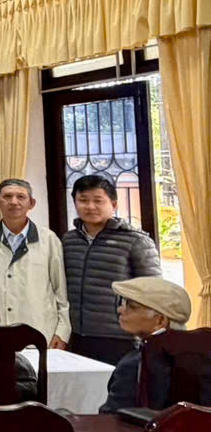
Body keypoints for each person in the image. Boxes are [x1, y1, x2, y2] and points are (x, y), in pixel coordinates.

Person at [62, 175, 162, 365]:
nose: (90, 206)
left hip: (120, 338)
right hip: (75, 336)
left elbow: (154, 292)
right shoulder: (68, 240)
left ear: (114, 204)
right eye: (83, 200)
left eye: (98, 200)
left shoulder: (136, 240)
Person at [0, 179, 70, 349]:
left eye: (21, 197)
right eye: (7, 196)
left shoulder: (49, 239)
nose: (14, 202)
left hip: (39, 331)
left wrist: (62, 331)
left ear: (32, 203)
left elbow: (60, 290)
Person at [99, 277, 195, 413]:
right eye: (123, 303)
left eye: (132, 306)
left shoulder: (136, 365)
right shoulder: (196, 357)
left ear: (160, 320)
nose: (120, 309)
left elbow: (113, 418)